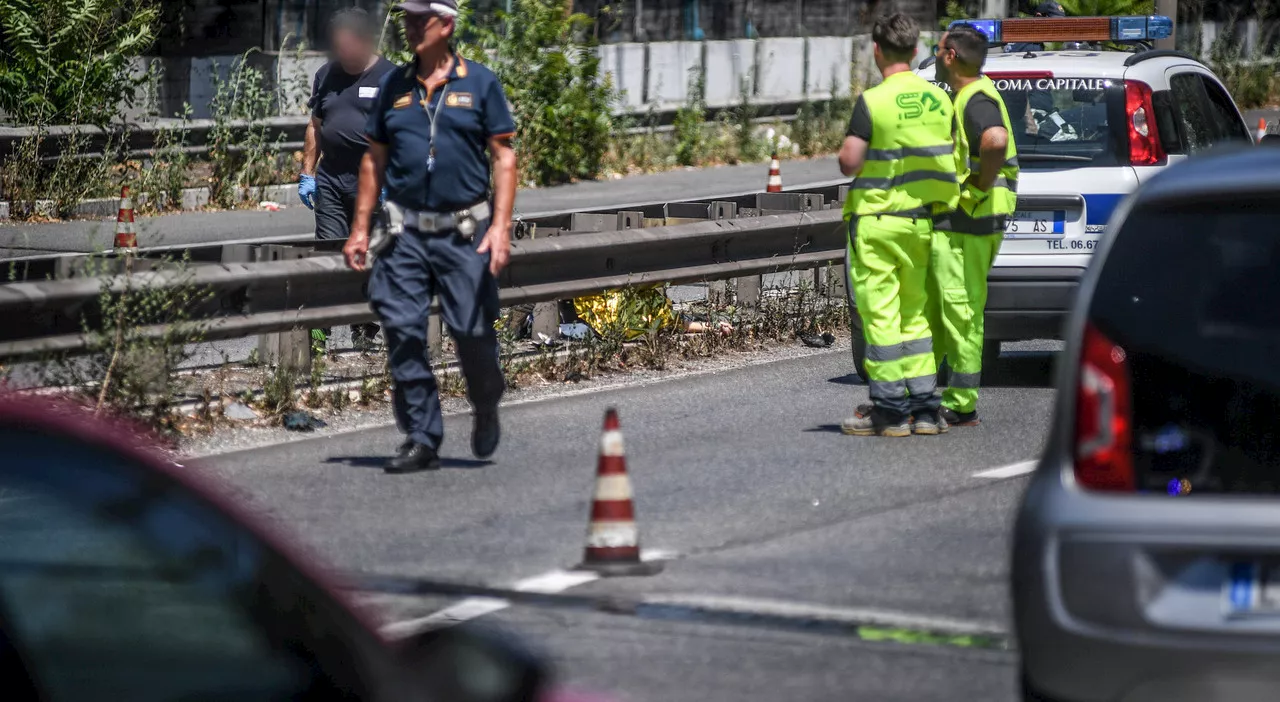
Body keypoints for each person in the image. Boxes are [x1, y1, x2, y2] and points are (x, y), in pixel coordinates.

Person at [343, 0, 518, 474]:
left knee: (472, 333)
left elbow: (503, 158)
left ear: (447, 25)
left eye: (421, 19)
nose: (411, 28)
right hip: (404, 234)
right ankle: (422, 435)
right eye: (406, 20)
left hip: (465, 233)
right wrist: (360, 228)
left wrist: (500, 228)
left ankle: (485, 401)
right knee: (401, 331)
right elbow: (373, 160)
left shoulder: (479, 83)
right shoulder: (393, 87)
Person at [838, 13, 960, 437]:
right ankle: (926, 411)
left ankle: (889, 411)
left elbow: (848, 162)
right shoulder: (939, 100)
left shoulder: (874, 101)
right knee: (916, 318)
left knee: (883, 318)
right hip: (922, 225)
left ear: (876, 50)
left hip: (877, 224)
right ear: (915, 51)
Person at [928, 24, 1019, 427]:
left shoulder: (975, 99)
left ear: (950, 56)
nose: (933, 54)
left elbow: (995, 140)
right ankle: (921, 393)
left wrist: (977, 186)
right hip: (972, 217)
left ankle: (962, 402)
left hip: (970, 217)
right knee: (948, 306)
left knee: (959, 308)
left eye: (937, 49)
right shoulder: (970, 95)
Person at [300, 8, 395, 350]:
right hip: (331, 181)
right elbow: (316, 125)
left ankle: (364, 332)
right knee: (328, 256)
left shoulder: (390, 78)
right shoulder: (326, 75)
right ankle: (319, 334)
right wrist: (307, 173)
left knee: (367, 259)